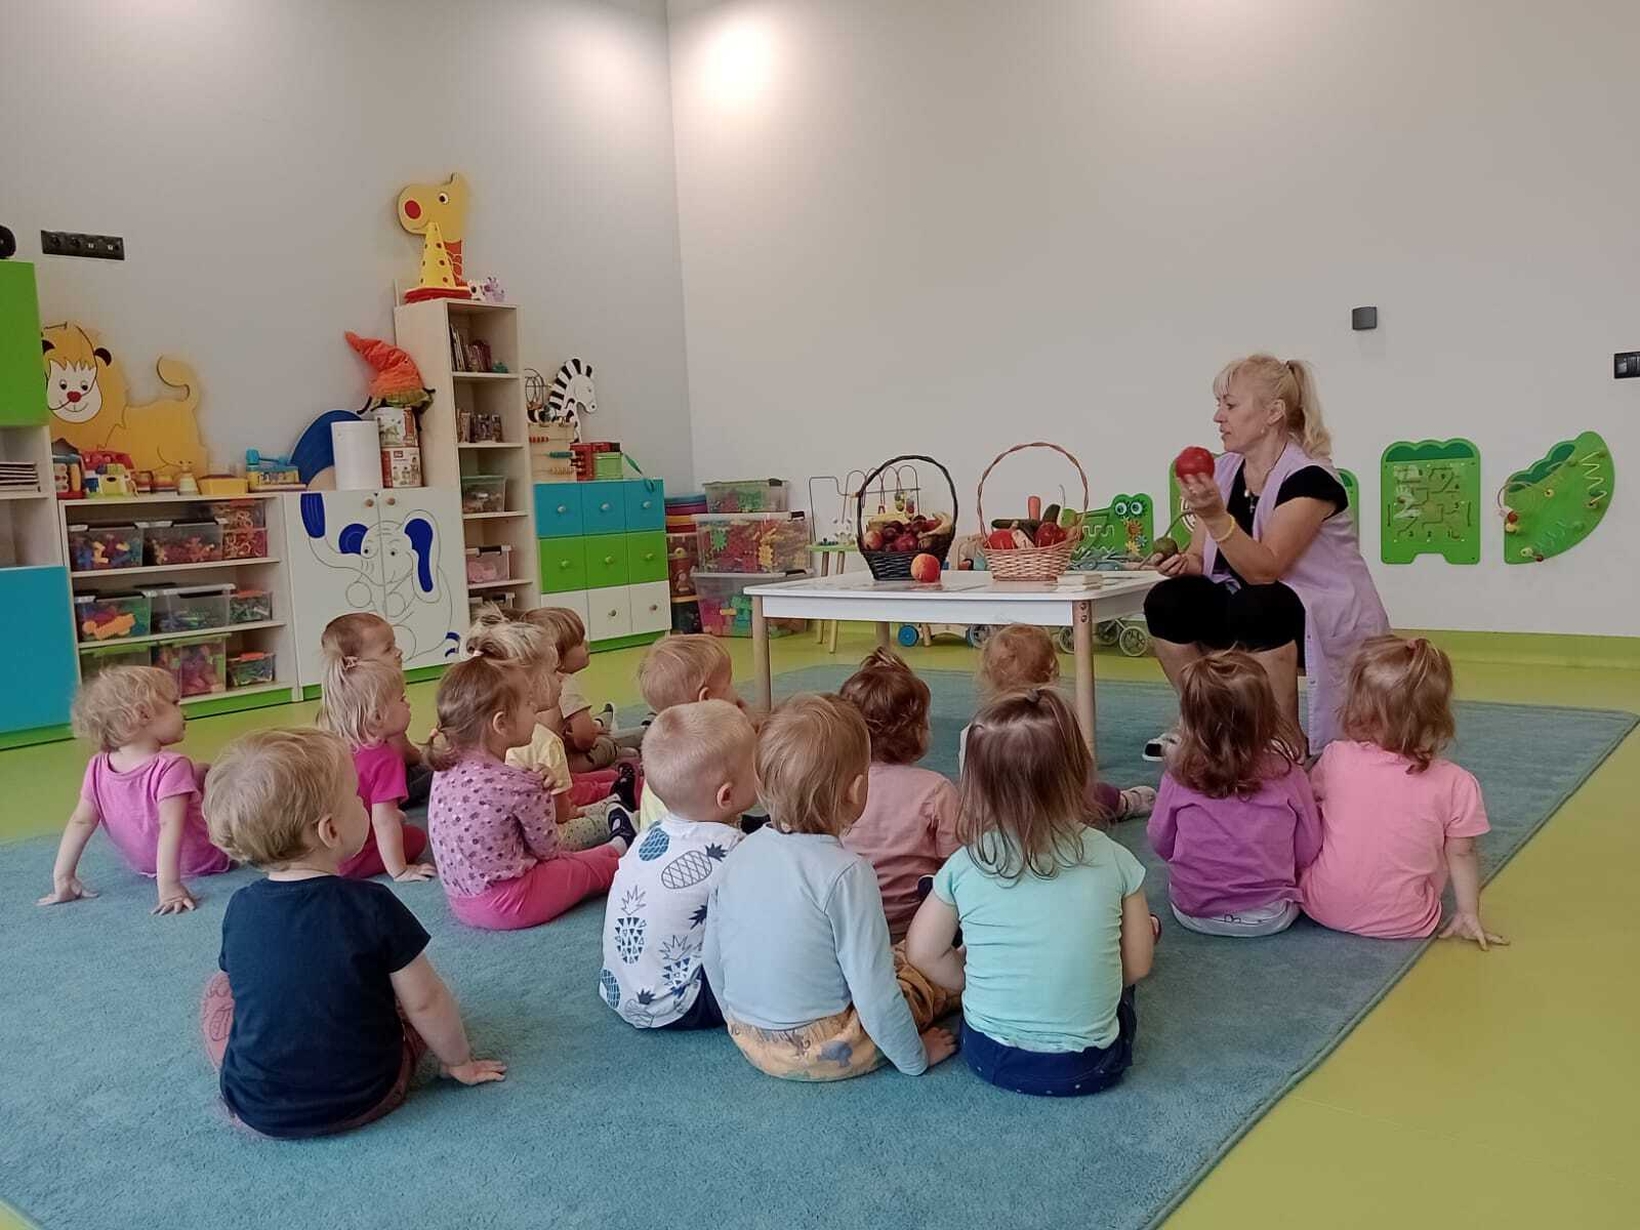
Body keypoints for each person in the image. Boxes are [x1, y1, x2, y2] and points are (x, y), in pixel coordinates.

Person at [200, 728, 503, 1138]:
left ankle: (262, 1069)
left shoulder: (240, 907)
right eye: (357, 797)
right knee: (410, 997)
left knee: (219, 989)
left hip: (258, 1108)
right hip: (370, 1094)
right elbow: (427, 1002)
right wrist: (458, 1061)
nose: (365, 802)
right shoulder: (372, 904)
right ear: (330, 831)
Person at [906, 688, 1154, 1098]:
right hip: (1091, 1064)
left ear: (977, 787)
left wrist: (969, 979)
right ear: (1081, 773)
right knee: (1128, 950)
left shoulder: (967, 863)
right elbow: (1138, 966)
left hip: (988, 1055)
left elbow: (922, 953)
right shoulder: (1116, 859)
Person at [1143, 354, 1389, 759]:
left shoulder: (1311, 478)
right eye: (1219, 405)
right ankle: (1208, 722)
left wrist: (1214, 515)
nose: (1218, 417)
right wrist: (1185, 564)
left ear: (1273, 413)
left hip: (1319, 611)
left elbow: (1266, 569)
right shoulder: (1224, 470)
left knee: (1258, 605)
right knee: (1167, 601)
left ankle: (1283, 738)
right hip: (1249, 601)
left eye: (1230, 405)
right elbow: (1200, 557)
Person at [703, 694, 958, 1081]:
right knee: (923, 970)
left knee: (893, 956)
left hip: (750, 1040)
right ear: (855, 791)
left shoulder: (738, 852)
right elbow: (874, 992)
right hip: (829, 1048)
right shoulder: (847, 873)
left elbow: (712, 957)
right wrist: (915, 1057)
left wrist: (741, 1023)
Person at [1300, 636, 1506, 948]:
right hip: (1406, 920)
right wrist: (1468, 913)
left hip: (1319, 906)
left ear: (1360, 709)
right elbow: (1462, 853)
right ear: (1438, 714)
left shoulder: (1335, 757)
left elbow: (1308, 811)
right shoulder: (1458, 783)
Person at [425, 648, 631, 931]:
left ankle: (616, 844)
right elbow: (548, 851)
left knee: (570, 864)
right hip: (510, 902)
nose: (535, 708)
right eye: (527, 703)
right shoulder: (520, 786)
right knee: (582, 872)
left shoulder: (445, 768)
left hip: (462, 899)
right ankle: (625, 852)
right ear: (501, 723)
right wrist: (544, 793)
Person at [599, 701, 759, 1030]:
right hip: (681, 1002)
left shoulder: (650, 834)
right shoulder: (732, 850)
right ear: (726, 796)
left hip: (620, 989)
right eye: (756, 766)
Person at [1148, 651, 1321, 937]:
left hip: (1193, 910)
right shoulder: (1288, 773)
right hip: (1269, 915)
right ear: (1267, 716)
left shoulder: (1179, 775)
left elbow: (1160, 840)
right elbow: (1309, 847)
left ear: (1189, 721)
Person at [39, 666, 231, 915]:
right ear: (143, 714)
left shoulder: (98, 765)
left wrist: (63, 877)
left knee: (199, 771)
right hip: (202, 860)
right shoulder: (172, 765)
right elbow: (168, 825)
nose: (184, 712)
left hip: (142, 863)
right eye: (175, 703)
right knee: (223, 778)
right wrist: (169, 887)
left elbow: (81, 821)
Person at [965, 625, 1155, 820]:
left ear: (987, 675)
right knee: (1097, 793)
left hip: (999, 814)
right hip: (1060, 811)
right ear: (1051, 670)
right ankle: (1124, 803)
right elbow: (1080, 776)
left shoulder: (977, 730)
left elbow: (972, 787)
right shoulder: (1058, 719)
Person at [836, 649, 961, 941]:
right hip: (917, 927)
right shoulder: (936, 790)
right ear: (917, 731)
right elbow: (957, 864)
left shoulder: (838, 785)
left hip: (850, 922)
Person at [319, 656, 435, 881]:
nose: (408, 704)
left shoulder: (337, 745)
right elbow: (384, 821)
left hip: (321, 851)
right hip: (348, 859)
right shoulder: (385, 759)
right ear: (378, 716)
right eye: (402, 699)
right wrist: (400, 870)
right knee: (416, 838)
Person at [633, 633, 746, 832]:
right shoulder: (705, 755)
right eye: (729, 684)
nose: (736, 693)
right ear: (707, 698)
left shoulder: (667, 747)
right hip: (703, 845)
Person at [318, 612, 431, 806]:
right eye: (388, 649)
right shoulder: (381, 700)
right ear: (357, 660)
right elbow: (404, 753)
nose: (398, 652)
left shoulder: (342, 697)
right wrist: (425, 758)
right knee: (440, 773)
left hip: (352, 789)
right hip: (383, 788)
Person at [522, 607, 644, 773]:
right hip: (563, 763)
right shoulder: (564, 683)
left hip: (532, 761)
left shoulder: (527, 682)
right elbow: (585, 738)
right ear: (557, 658)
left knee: (594, 725)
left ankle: (601, 720)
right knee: (605, 742)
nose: (587, 644)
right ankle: (615, 749)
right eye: (579, 642)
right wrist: (589, 736)